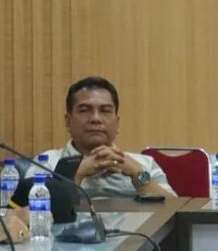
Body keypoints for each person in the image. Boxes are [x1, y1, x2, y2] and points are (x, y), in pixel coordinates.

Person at [27, 76, 175, 197]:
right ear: (68, 121)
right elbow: (28, 213)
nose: (95, 119)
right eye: (85, 110)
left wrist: (137, 174)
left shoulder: (144, 164)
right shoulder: (46, 163)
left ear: (117, 123)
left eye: (105, 111)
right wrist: (76, 174)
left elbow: (174, 210)